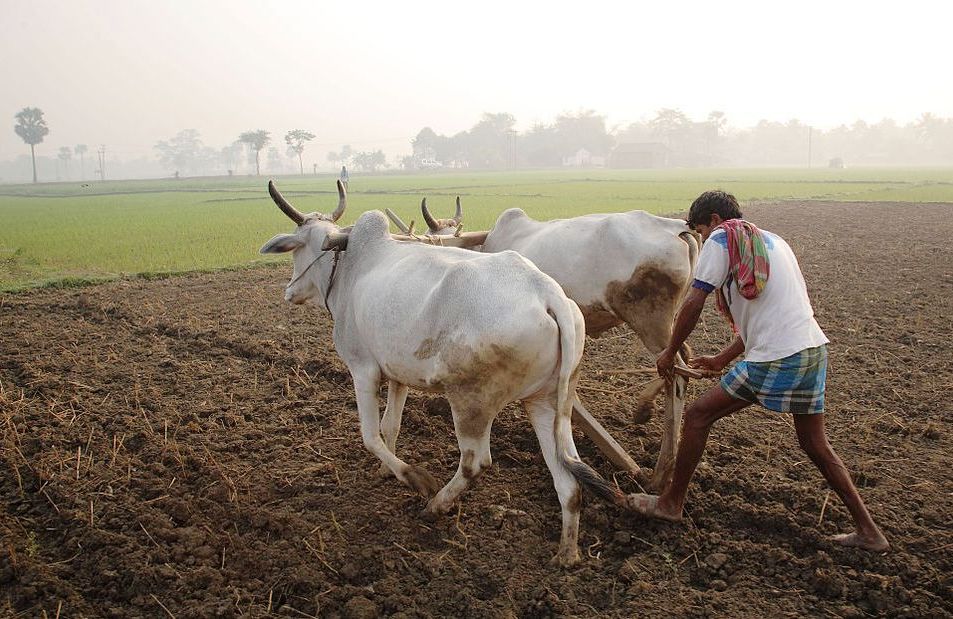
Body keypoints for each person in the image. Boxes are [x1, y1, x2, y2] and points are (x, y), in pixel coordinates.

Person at [627, 190, 888, 552]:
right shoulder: (773, 242)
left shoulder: (723, 237)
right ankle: (869, 532)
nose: (703, 240)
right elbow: (770, 315)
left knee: (699, 415)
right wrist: (721, 359)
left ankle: (671, 503)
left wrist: (670, 351)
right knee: (815, 444)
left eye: (700, 231)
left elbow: (695, 299)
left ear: (715, 220)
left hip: (776, 358)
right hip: (811, 350)